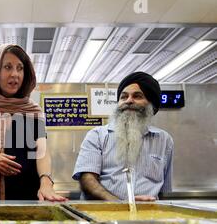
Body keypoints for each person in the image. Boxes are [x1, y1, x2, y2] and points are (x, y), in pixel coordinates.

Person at [0, 44, 66, 201]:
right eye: (7, 67)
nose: (15, 74)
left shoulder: (32, 111)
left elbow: (42, 151)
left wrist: (45, 181)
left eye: (20, 68)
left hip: (28, 197)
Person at [72, 72, 173, 201]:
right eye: (124, 97)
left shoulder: (164, 140)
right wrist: (120, 204)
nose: (129, 101)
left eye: (137, 96)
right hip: (103, 214)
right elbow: (87, 180)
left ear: (151, 104)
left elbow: (166, 191)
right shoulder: (97, 135)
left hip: (148, 215)